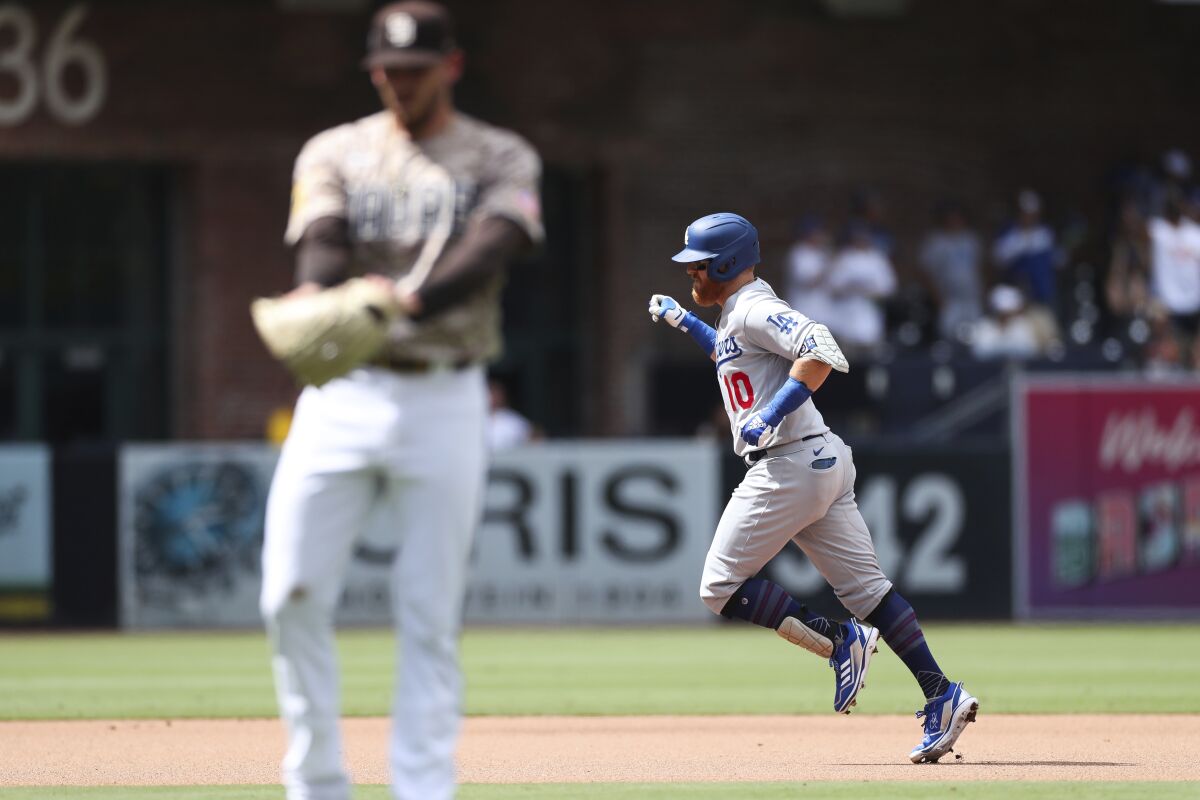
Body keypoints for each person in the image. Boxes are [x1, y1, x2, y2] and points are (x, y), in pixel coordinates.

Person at [258, 3, 543, 799]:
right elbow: (320, 243)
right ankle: (316, 783)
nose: (398, 82)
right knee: (289, 592)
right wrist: (321, 300)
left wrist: (405, 301)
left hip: (446, 391)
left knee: (428, 609)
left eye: (414, 70)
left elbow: (494, 246)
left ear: (450, 66)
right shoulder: (338, 149)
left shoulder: (499, 153)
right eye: (386, 68)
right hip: (342, 391)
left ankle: (423, 789)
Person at [647, 212, 978, 764]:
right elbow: (737, 358)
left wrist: (770, 414)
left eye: (698, 267)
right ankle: (941, 694)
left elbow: (821, 349)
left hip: (788, 464)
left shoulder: (754, 307)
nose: (691, 276)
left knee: (718, 587)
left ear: (727, 264)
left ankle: (837, 640)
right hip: (823, 459)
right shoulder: (738, 312)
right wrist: (686, 322)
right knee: (871, 593)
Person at [825, 221, 898, 354]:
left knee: (870, 356)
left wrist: (868, 290)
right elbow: (832, 288)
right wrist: (851, 288)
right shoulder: (844, 257)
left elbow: (889, 288)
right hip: (846, 319)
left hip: (870, 317)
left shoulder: (877, 258)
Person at [918, 201, 984, 344]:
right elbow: (925, 272)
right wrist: (938, 298)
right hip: (949, 298)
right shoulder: (936, 242)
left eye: (958, 217)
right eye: (951, 217)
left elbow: (980, 267)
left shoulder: (970, 240)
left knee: (977, 334)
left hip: (971, 297)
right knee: (948, 334)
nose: (955, 221)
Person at [992, 189, 1059, 309]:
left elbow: (1056, 260)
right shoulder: (1009, 235)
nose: (1029, 218)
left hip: (1042, 294)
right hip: (1016, 294)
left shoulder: (1045, 233)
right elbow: (998, 260)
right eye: (1026, 214)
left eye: (1033, 214)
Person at [486, 377, 537, 450]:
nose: (494, 397)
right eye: (491, 393)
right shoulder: (475, 418)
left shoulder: (512, 419)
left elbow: (533, 437)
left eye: (497, 394)